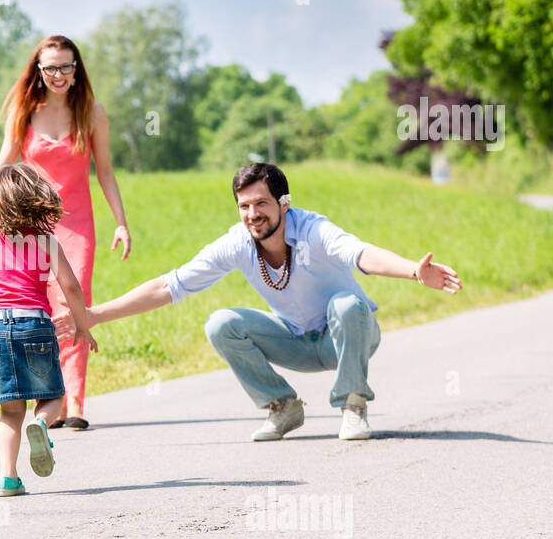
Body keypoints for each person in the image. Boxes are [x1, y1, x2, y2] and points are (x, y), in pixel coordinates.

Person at [57, 163, 463, 441]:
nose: (253, 214)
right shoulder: (236, 243)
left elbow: (362, 254)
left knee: (347, 304)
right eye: (244, 206)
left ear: (284, 203)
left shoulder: (314, 229)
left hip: (347, 337)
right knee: (220, 322)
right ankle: (283, 407)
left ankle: (353, 405)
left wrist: (413, 270)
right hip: (294, 341)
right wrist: (93, 315)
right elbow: (170, 286)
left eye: (262, 204)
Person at [0, 34, 129, 430]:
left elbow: (104, 171)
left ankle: (74, 404)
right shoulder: (24, 110)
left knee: (76, 303)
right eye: (51, 67)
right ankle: (46, 396)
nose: (59, 74)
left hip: (78, 225)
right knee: (40, 308)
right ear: (39, 71)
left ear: (77, 69)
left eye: (66, 66)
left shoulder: (92, 113)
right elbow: (3, 164)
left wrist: (121, 221)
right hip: (29, 226)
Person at [0, 163, 98, 497]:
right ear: (34, 199)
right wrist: (82, 325)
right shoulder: (45, 242)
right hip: (35, 325)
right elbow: (71, 287)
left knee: (10, 410)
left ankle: (7, 478)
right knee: (54, 395)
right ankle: (41, 423)